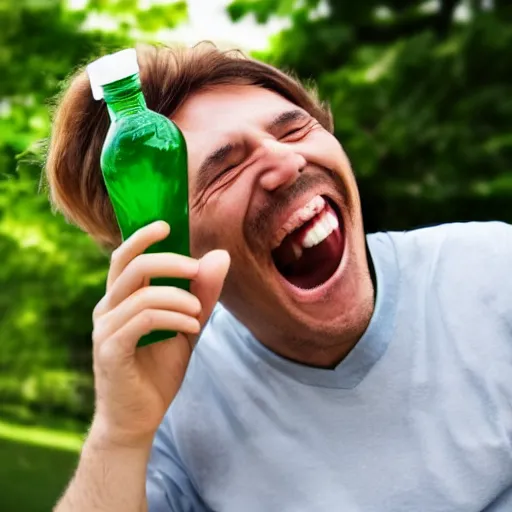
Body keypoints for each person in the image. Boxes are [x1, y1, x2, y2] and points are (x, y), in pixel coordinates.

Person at [46, 42, 512, 512]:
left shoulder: (495, 267)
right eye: (225, 169)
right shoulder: (176, 413)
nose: (287, 163)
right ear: (170, 246)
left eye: (293, 130)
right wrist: (119, 434)